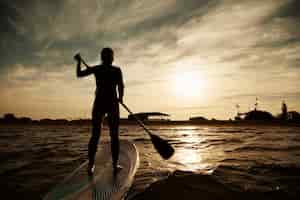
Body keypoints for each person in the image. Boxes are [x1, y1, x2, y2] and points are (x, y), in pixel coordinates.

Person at [74, 47, 124, 176]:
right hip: (111, 103)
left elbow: (79, 74)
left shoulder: (98, 69)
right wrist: (121, 98)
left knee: (96, 135)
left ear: (102, 58)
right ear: (111, 58)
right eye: (110, 56)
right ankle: (114, 165)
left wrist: (79, 61)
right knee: (113, 136)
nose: (110, 58)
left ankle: (91, 165)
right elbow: (121, 85)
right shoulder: (115, 70)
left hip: (102, 103)